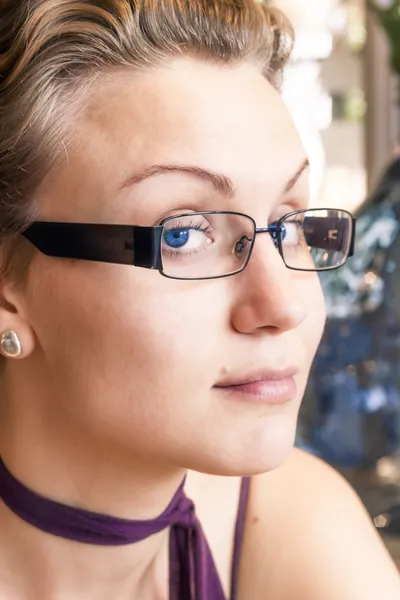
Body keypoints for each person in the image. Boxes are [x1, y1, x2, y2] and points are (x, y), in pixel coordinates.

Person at [0, 1, 398, 599]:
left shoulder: (296, 524)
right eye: (183, 233)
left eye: (287, 223)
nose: (281, 307)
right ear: (8, 290)